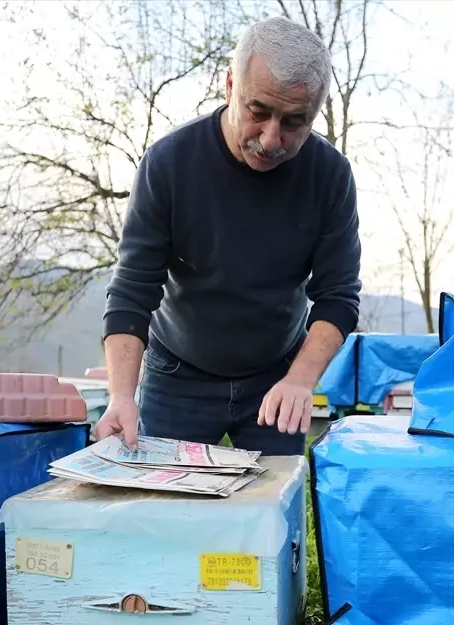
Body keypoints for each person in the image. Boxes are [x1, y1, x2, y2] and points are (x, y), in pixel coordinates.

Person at [92, 16, 362, 456]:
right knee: (163, 509)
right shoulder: (169, 164)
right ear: (230, 86)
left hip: (277, 379)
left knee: (271, 515)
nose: (272, 139)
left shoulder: (330, 176)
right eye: (258, 112)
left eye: (295, 122)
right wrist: (122, 395)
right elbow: (131, 291)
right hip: (177, 371)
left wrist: (300, 379)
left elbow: (339, 296)